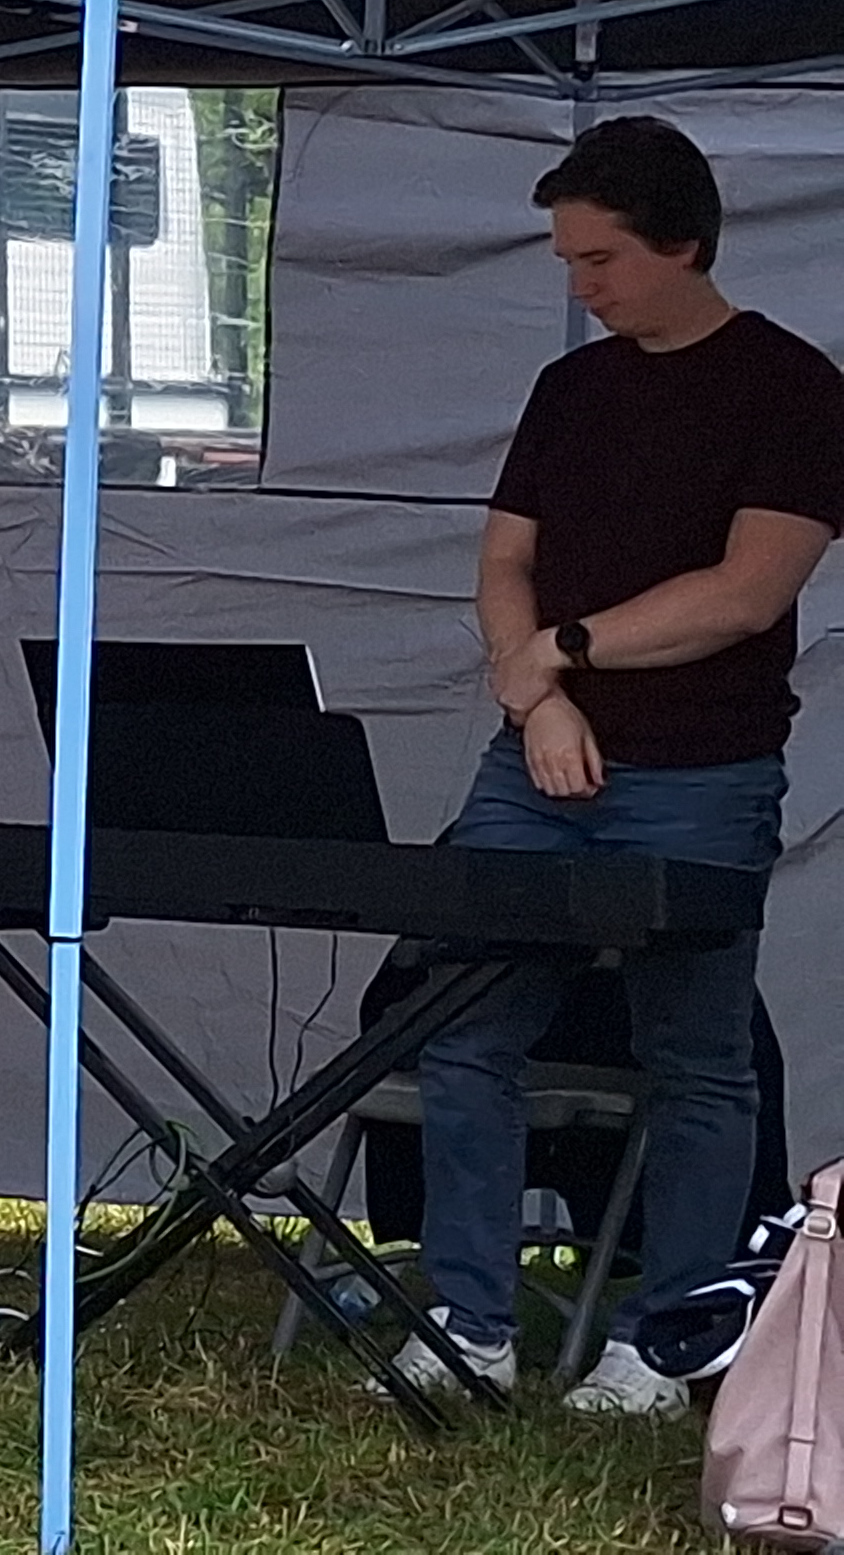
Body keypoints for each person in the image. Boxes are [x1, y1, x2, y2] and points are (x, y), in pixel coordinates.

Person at [394, 117, 844, 1415]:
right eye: (568, 259)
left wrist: (560, 652)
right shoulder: (570, 388)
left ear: (683, 243)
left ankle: (666, 1340)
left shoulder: (793, 390)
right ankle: (469, 1322)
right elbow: (504, 561)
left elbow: (745, 594)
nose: (580, 283)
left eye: (600, 259)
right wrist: (538, 696)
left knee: (695, 1056)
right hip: (534, 761)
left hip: (702, 771)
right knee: (463, 1028)